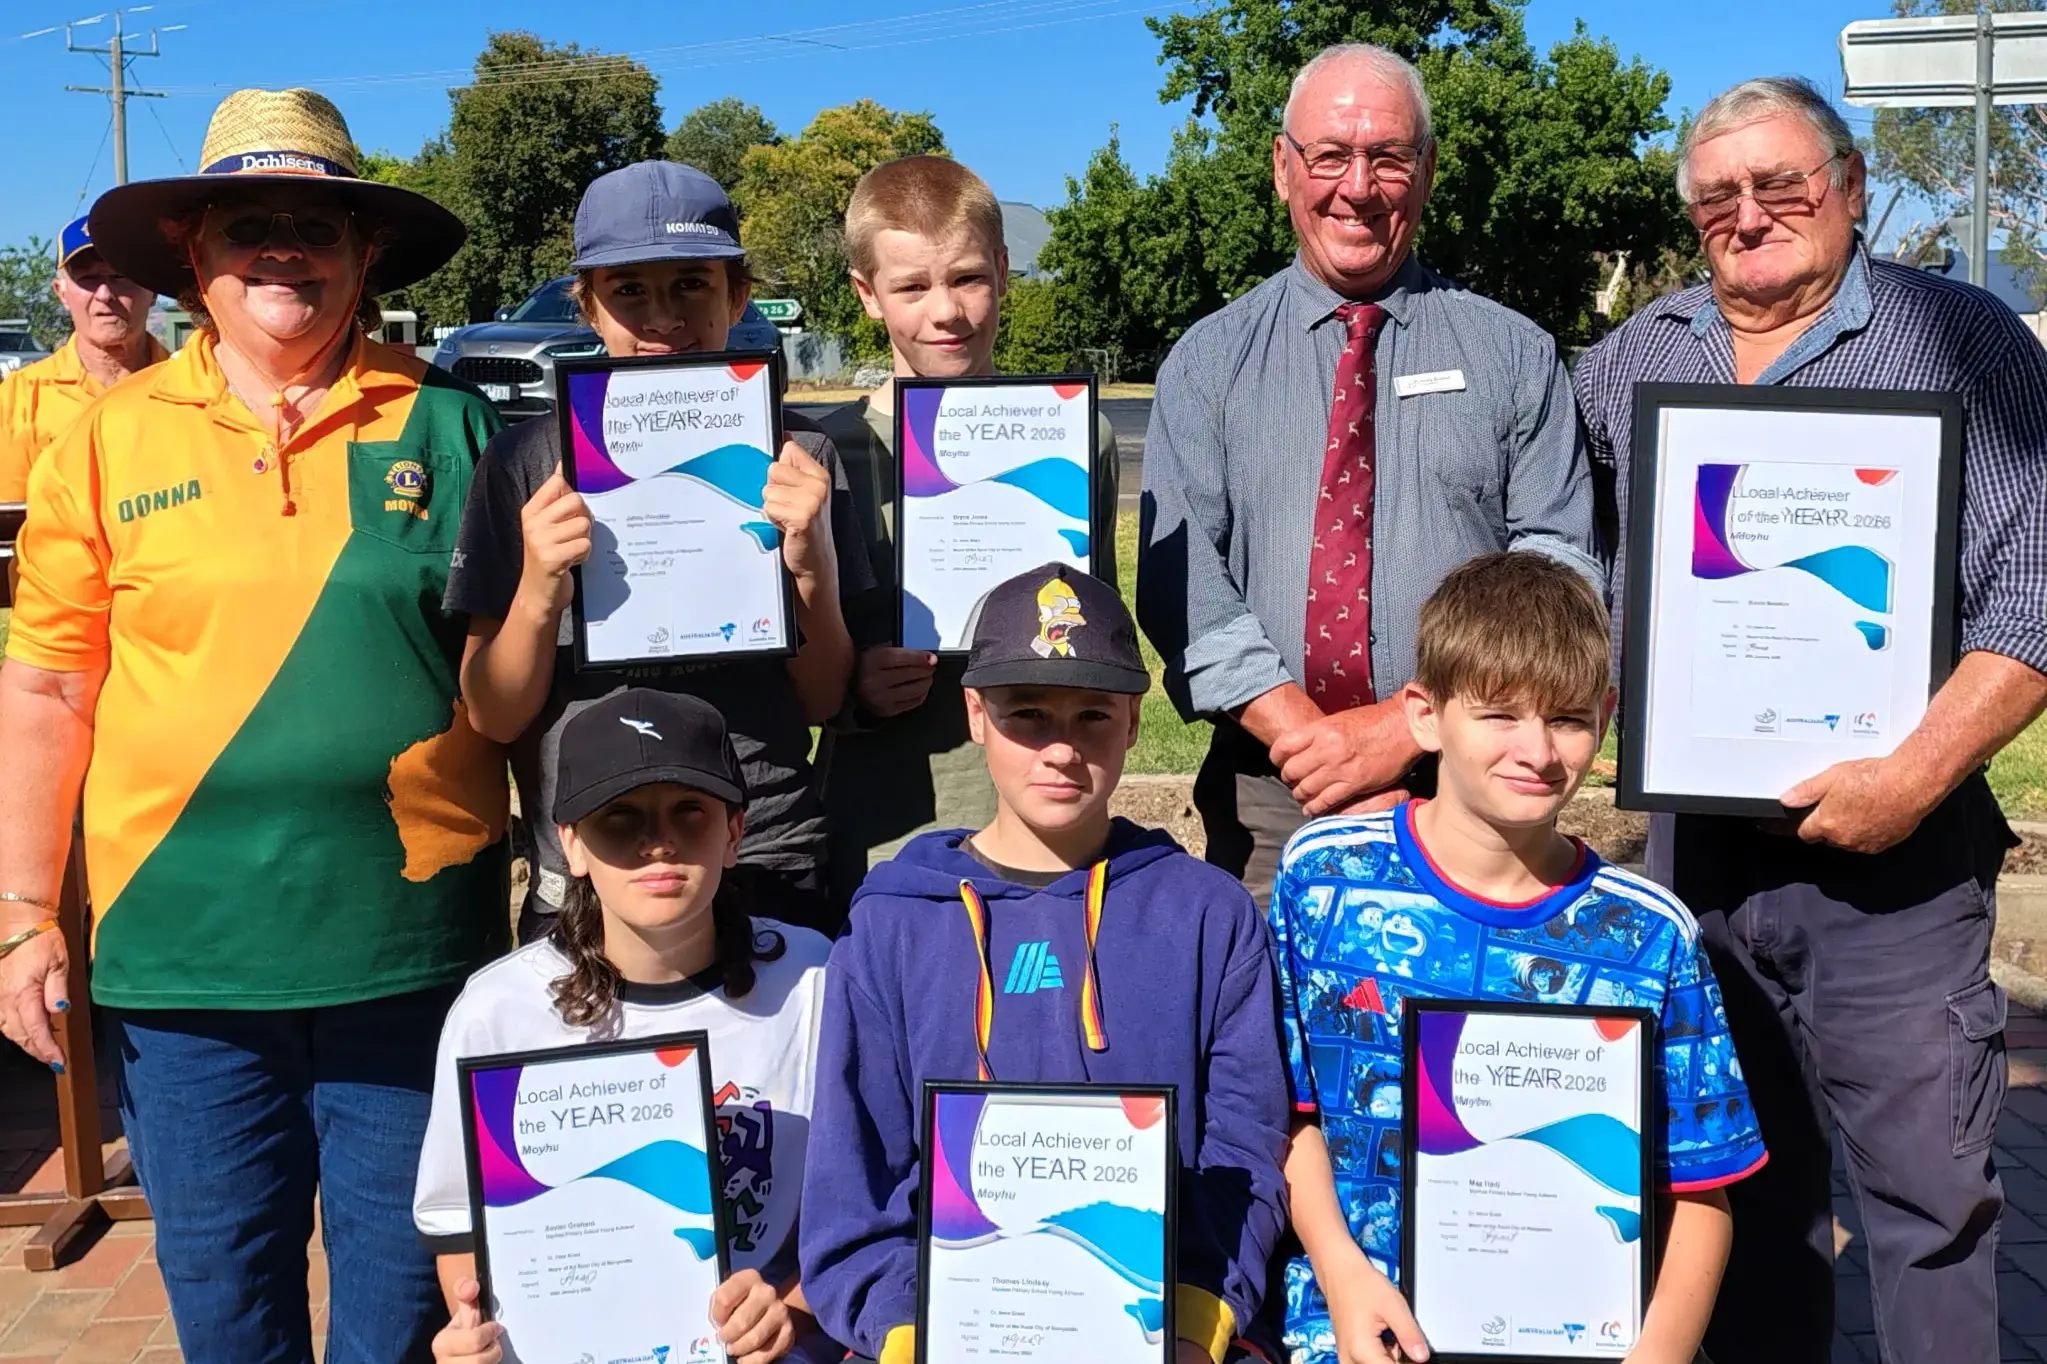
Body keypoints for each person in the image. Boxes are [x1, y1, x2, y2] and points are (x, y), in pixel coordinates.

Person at [0, 88, 510, 1364]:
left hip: (411, 948)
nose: (285, 247)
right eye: (250, 224)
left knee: (404, 1308)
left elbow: (519, 670)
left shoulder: (449, 424)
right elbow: (47, 687)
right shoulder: (105, 440)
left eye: (317, 223)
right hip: (186, 960)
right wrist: (19, 915)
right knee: (229, 1309)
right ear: (195, 253)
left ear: (364, 254)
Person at [1573, 76, 2047, 1364]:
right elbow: (1568, 561)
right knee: (1736, 1197)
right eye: (1716, 195)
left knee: (1929, 1210)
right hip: (1699, 861)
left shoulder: (1962, 337)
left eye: (1779, 184)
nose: (1750, 214)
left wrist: (1914, 770)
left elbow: (2037, 584)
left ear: (1846, 186)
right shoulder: (1631, 361)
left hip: (1892, 865)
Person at [1268, 551, 1766, 1364]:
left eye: (1567, 718)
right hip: (1356, 1327)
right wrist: (1342, 1277)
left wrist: (1658, 1354)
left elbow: (1699, 1187)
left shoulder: (1649, 936)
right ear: (1424, 716)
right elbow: (1291, 1116)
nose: (1535, 750)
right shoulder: (1323, 879)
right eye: (1498, 714)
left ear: (1604, 719)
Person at [1136, 41, 1599, 906]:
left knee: (1462, 1036)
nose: (1357, 186)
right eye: (1329, 155)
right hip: (1272, 796)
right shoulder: (1206, 364)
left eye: (1387, 156)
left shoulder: (1514, 355)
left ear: (1424, 172)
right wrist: (1314, 746)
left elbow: (1560, 568)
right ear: (1283, 168)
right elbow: (1182, 586)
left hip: (1476, 789)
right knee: (1268, 1036)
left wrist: (1401, 728)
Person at [800, 563, 1290, 1364]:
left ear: (1133, 721)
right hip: (940, 1333)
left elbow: (1242, 1143)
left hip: (1164, 1329)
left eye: (1091, 715)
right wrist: (902, 1330)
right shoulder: (891, 922)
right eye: (1026, 714)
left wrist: (1198, 1314)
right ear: (974, 715)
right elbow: (858, 1169)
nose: (1060, 748)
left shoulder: (1208, 915)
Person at [445, 159, 870, 938]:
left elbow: (820, 699)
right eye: (629, 290)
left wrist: (810, 563)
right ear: (588, 306)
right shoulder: (524, 464)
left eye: (690, 284)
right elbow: (494, 714)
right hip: (587, 858)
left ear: (736, 295)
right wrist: (540, 585)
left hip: (764, 851)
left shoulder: (799, 459)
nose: (661, 316)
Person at [415, 689, 837, 1364]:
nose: (659, 842)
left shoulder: (813, 978)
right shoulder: (499, 1012)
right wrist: (477, 1332)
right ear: (570, 844)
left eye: (689, 812)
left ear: (734, 832)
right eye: (621, 817)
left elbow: (871, 1194)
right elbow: (458, 1222)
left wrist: (789, 1308)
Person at [814, 155, 1120, 910]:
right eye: (911, 286)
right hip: (882, 825)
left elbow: (1101, 640)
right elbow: (782, 671)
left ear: (1004, 273)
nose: (944, 311)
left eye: (967, 278)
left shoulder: (1079, 437)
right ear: (866, 295)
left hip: (1041, 820)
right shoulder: (819, 455)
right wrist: (853, 688)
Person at [0, 214, 166, 502]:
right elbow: (11, 521)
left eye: (119, 277)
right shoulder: (20, 398)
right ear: (61, 293)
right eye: (88, 279)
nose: (104, 294)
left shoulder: (194, 384)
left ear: (151, 290)